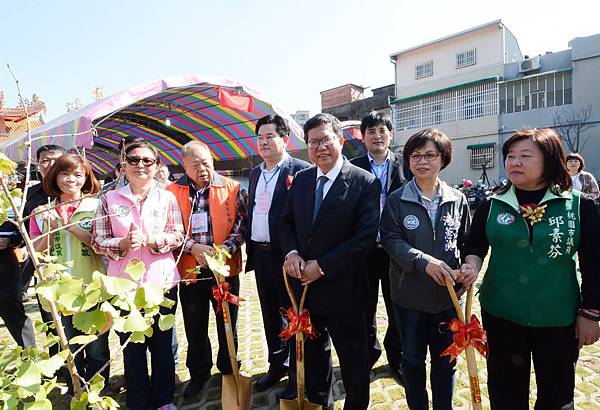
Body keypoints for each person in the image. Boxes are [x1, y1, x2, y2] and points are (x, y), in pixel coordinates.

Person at [463, 128, 600, 410]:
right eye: (510, 156)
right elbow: (475, 245)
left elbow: (594, 262)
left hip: (558, 316)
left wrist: (591, 313)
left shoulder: (578, 205)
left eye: (525, 156)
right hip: (502, 313)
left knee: (557, 395)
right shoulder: (493, 203)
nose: (515, 162)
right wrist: (470, 266)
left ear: (550, 160)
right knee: (505, 392)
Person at [280, 113, 380, 409]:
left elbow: (363, 238)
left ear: (340, 139)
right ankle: (319, 402)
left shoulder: (364, 182)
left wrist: (322, 266)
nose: (320, 147)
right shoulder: (301, 179)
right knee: (312, 356)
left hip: (345, 289)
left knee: (353, 361)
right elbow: (286, 223)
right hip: (305, 291)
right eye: (313, 142)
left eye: (326, 139)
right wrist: (292, 253)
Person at [380, 128, 471, 410]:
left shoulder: (458, 198)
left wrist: (469, 266)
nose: (422, 162)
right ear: (407, 161)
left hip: (448, 299)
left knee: (446, 363)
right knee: (413, 362)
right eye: (415, 156)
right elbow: (391, 240)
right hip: (409, 299)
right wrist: (422, 261)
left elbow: (467, 242)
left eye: (430, 155)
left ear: (443, 159)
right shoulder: (397, 199)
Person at [92, 142, 184, 410]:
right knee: (131, 347)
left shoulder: (166, 197)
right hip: (124, 286)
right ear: (123, 165)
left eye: (147, 161)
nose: (140, 165)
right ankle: (139, 400)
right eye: (134, 160)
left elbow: (178, 235)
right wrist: (121, 244)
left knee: (162, 344)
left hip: (161, 282)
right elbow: (98, 241)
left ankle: (164, 399)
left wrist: (150, 240)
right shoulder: (108, 199)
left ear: (157, 166)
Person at [165, 141, 247, 399]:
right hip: (191, 271)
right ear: (184, 166)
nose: (203, 169)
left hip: (225, 268)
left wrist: (226, 247)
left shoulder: (233, 188)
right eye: (195, 164)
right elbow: (169, 229)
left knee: (228, 323)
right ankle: (199, 373)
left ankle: (229, 367)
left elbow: (243, 224)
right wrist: (192, 247)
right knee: (194, 324)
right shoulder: (171, 192)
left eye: (206, 162)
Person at [30, 154, 109, 389]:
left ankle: (98, 393)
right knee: (69, 348)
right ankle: (76, 391)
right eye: (65, 173)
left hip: (91, 289)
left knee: (96, 347)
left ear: (86, 178)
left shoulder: (97, 207)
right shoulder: (41, 211)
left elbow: (101, 245)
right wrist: (52, 230)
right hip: (57, 291)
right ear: (55, 177)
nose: (71, 179)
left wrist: (70, 226)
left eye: (78, 174)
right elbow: (34, 252)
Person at [245, 114, 310, 392]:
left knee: (295, 313)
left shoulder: (301, 171)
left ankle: (298, 373)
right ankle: (277, 364)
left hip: (288, 257)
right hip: (261, 255)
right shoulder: (255, 173)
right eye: (260, 138)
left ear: (284, 139)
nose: (264, 143)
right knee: (270, 314)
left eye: (270, 136)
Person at [350, 111, 405, 381]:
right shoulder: (353, 166)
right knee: (364, 305)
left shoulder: (405, 164)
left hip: (396, 250)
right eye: (371, 130)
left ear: (390, 135)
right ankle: (367, 355)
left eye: (382, 130)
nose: (377, 135)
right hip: (364, 249)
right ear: (363, 137)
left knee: (397, 306)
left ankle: (397, 357)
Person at [21, 144, 66, 354]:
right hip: (44, 265)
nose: (50, 164)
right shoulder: (30, 194)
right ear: (38, 165)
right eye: (45, 160)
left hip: (74, 260)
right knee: (51, 320)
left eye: (55, 159)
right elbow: (23, 228)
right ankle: (59, 370)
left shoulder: (76, 188)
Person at [0, 173, 36, 348]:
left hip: (5, 263)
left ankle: (30, 356)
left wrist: (11, 241)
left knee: (12, 310)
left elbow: (27, 233)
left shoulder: (17, 203)